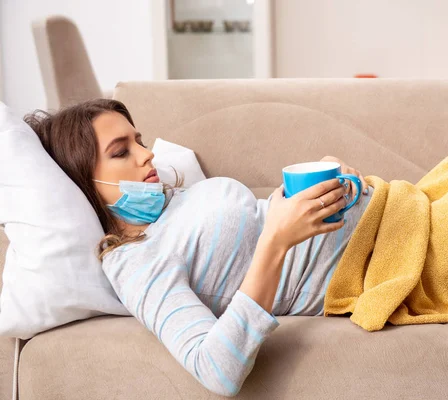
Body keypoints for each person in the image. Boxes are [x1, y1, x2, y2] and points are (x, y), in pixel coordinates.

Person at [25, 98, 372, 397]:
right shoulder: (134, 261)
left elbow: (258, 221)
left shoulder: (171, 199)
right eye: (121, 152)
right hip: (376, 259)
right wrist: (276, 242)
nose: (148, 155)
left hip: (388, 206)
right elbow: (217, 370)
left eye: (139, 140)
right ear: (82, 183)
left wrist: (328, 178)